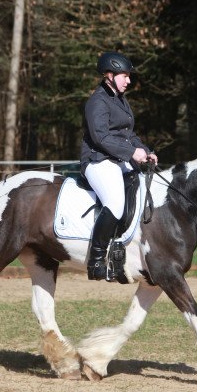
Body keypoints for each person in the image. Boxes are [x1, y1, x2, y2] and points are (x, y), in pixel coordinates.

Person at [80, 51, 158, 281]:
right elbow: (101, 138)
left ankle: (121, 255)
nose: (129, 80)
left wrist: (145, 150)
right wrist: (132, 153)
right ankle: (95, 262)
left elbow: (127, 134)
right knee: (115, 203)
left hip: (117, 160)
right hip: (97, 160)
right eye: (125, 76)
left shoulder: (119, 100)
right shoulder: (97, 101)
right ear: (109, 75)